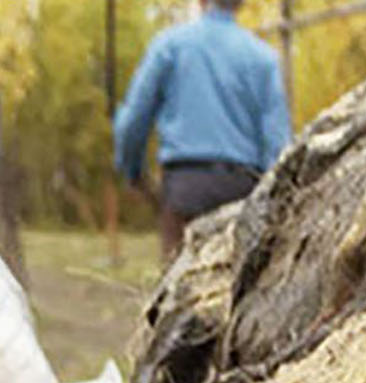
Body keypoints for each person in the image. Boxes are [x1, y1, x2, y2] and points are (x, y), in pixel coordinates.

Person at [113, 0, 290, 258]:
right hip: (243, 195)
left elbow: (134, 119)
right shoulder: (263, 59)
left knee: (180, 287)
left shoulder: (170, 46)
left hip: (185, 189)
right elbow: (277, 144)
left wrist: (132, 171)